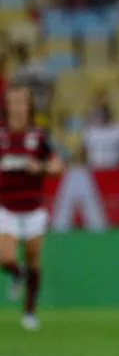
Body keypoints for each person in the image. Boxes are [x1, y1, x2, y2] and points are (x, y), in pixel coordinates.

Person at [0, 85, 64, 331]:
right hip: (6, 206)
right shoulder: (2, 136)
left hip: (33, 207)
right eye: (12, 102)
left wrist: (42, 168)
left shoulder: (38, 136)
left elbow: (57, 165)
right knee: (5, 257)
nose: (17, 107)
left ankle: (29, 311)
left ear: (28, 106)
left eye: (21, 102)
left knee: (33, 258)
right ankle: (17, 274)